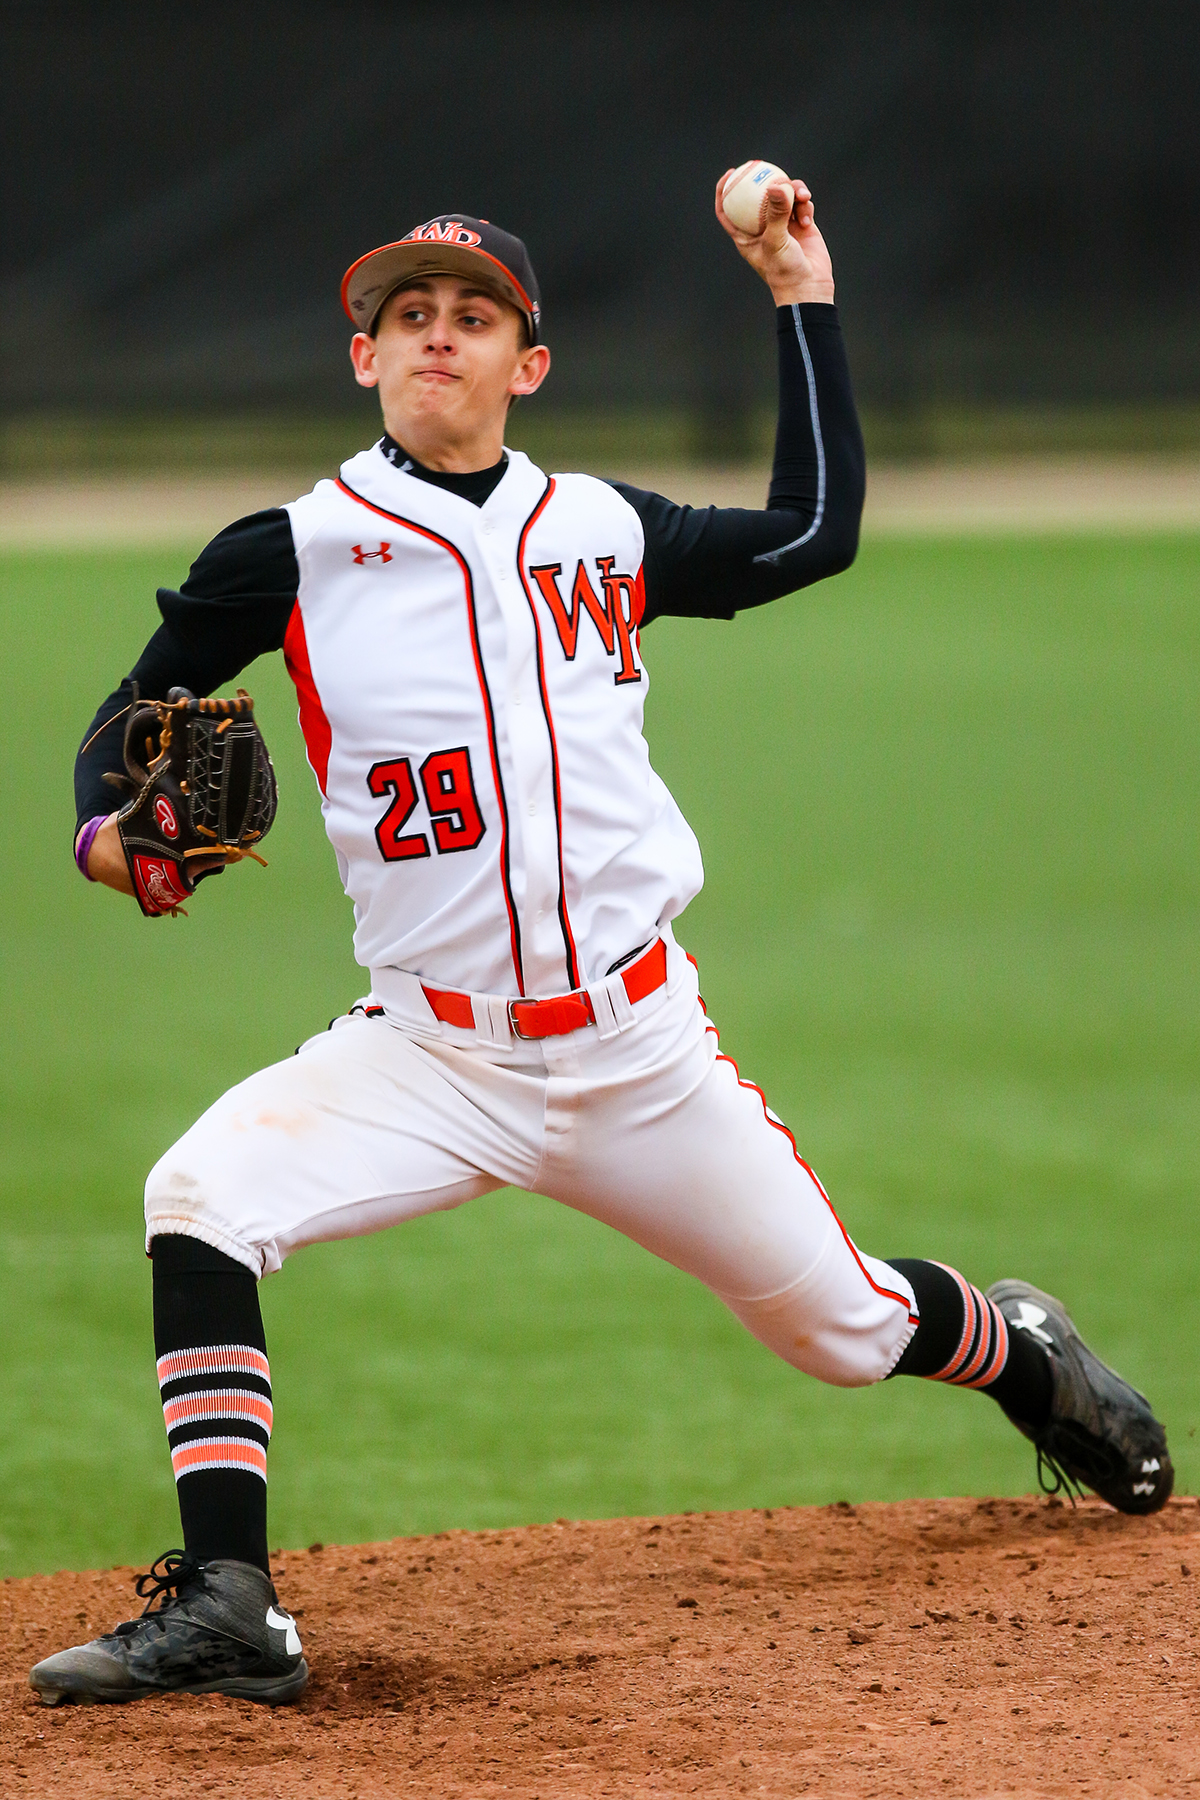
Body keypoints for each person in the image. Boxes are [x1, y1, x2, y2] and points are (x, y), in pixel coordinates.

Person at [33, 175, 1172, 1709]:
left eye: (473, 315)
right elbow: (124, 722)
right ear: (361, 359)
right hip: (428, 1053)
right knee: (201, 1195)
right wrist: (113, 835)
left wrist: (801, 293)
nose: (438, 336)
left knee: (846, 1330)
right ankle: (232, 1600)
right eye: (407, 316)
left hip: (639, 1052)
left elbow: (813, 535)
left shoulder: (604, 528)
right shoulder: (291, 552)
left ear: (529, 364)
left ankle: (1023, 1352)